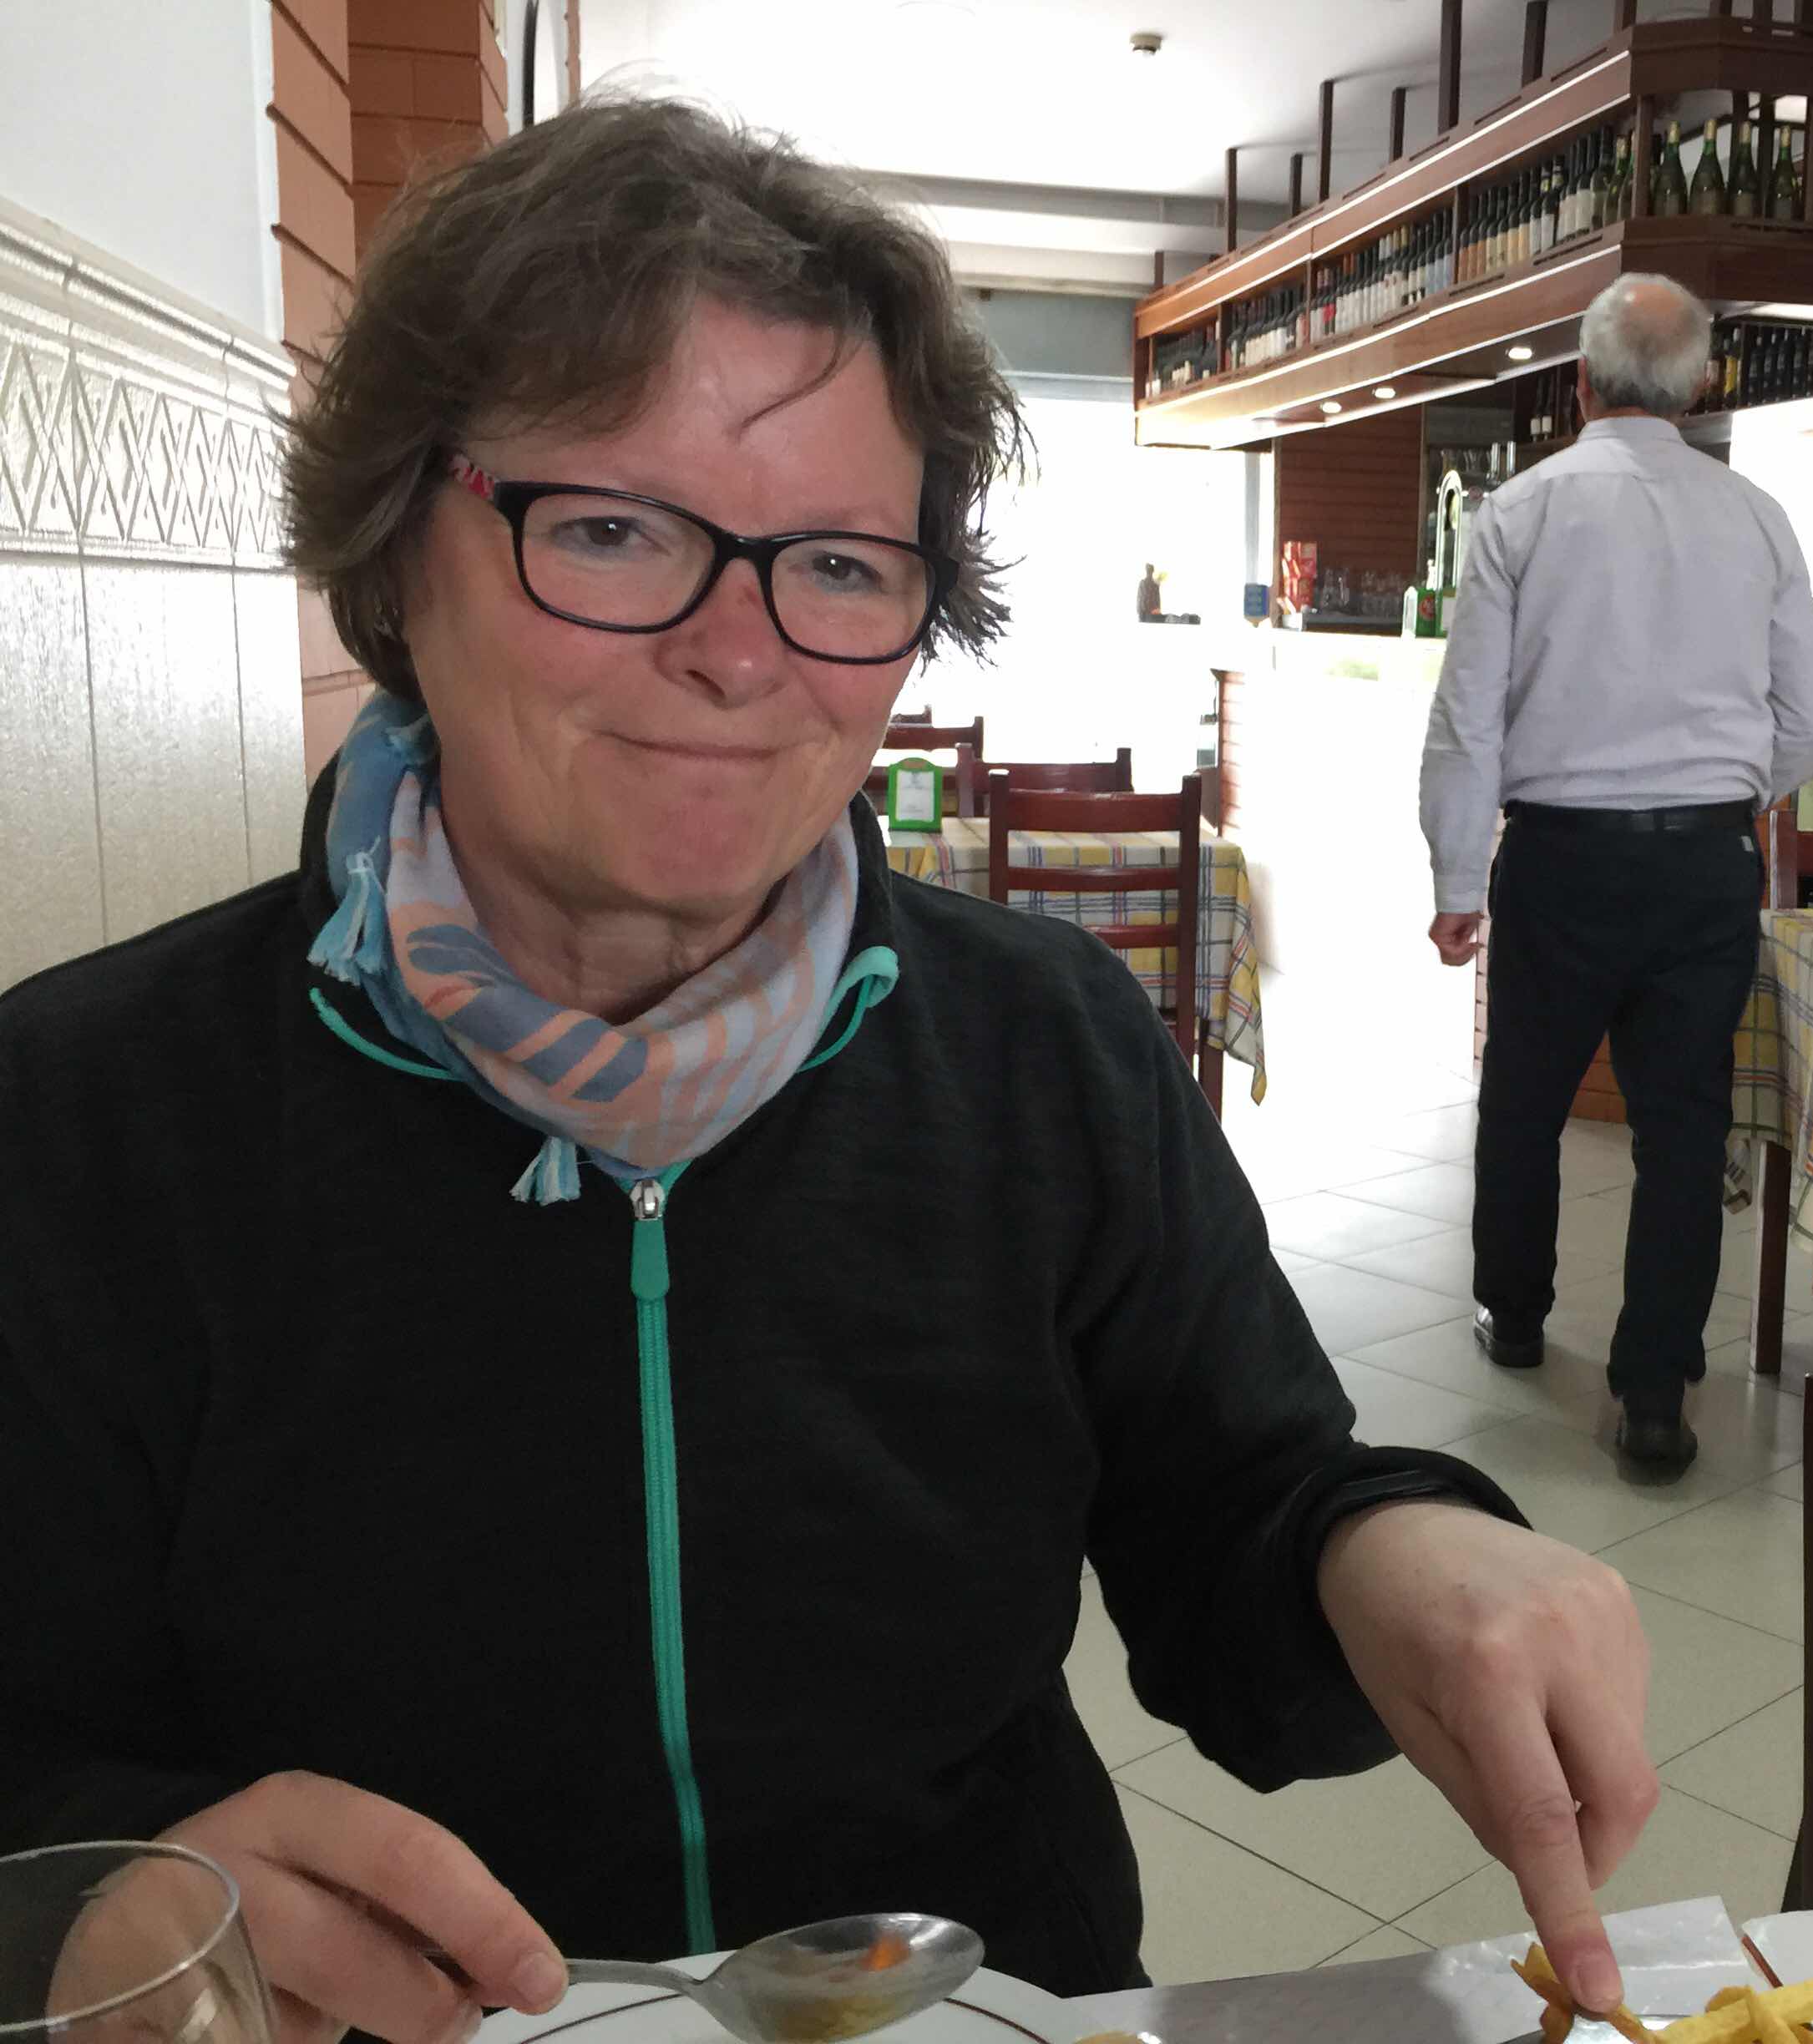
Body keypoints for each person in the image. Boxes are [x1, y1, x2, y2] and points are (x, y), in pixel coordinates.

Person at [0, 100, 1659, 2041]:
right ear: (396, 554)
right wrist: (89, 1912)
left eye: (842, 565)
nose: (740, 654)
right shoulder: (81, 1116)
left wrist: (1397, 1551)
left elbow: (1244, 1514)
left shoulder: (1046, 1045)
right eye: (609, 530)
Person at [1419, 275, 1813, 1479]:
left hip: (1558, 858)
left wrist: (1457, 881)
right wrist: (1724, 800)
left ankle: (1515, 1314)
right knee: (1683, 1127)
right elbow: (1808, 722)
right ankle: (1655, 1392)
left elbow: (1468, 719)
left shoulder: (1521, 511)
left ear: (1580, 381)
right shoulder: (1757, 517)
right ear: (1700, 385)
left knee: (1525, 1100)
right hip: (1706, 866)